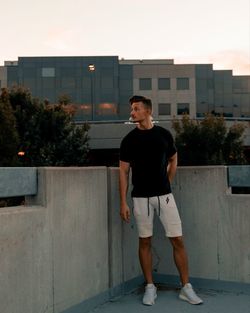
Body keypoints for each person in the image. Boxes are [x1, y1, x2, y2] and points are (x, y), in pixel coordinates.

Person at [119, 95, 203, 306]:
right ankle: (150, 287)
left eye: (136, 109)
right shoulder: (129, 140)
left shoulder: (163, 135)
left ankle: (186, 287)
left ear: (148, 111)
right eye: (132, 109)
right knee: (144, 241)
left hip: (165, 197)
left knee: (177, 240)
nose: (132, 113)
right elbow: (123, 172)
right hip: (140, 198)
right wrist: (123, 202)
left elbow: (174, 158)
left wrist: (168, 180)